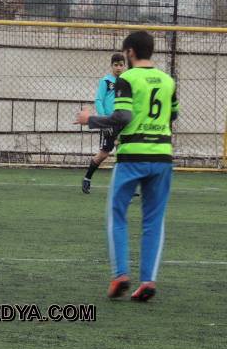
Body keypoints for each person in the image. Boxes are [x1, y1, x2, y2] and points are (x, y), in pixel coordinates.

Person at [74, 31, 178, 302]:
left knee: (117, 214)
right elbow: (173, 114)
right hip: (162, 157)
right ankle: (148, 281)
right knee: (153, 220)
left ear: (130, 52)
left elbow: (122, 116)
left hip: (132, 156)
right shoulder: (168, 81)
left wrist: (90, 120)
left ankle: (121, 274)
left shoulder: (127, 79)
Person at [81, 53, 126, 194]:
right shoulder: (106, 81)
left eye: (121, 65)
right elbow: (99, 100)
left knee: (124, 153)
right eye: (116, 65)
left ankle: (125, 186)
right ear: (111, 66)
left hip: (123, 121)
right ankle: (87, 178)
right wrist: (103, 120)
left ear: (124, 66)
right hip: (109, 122)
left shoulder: (126, 81)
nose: (118, 68)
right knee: (104, 154)